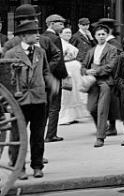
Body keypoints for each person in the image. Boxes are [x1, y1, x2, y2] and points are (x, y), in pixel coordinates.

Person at [3, 11, 49, 178]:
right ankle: (19, 168)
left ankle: (37, 166)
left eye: (37, 32)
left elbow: (45, 72)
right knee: (18, 135)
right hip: (19, 100)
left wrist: (47, 87)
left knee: (38, 135)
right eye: (33, 33)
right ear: (23, 36)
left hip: (38, 98)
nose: (37, 36)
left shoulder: (40, 52)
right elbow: (6, 81)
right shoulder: (11, 54)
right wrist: (6, 103)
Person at [81, 23, 119, 148]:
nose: (101, 36)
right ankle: (103, 127)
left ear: (107, 35)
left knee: (102, 109)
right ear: (95, 36)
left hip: (105, 82)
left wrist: (96, 70)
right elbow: (83, 66)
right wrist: (86, 71)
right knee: (91, 108)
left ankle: (100, 137)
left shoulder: (112, 49)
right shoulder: (91, 50)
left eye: (103, 34)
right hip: (92, 82)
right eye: (99, 34)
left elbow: (110, 66)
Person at [39, 13, 67, 143]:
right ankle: (51, 134)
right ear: (51, 24)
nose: (62, 26)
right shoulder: (55, 38)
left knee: (45, 106)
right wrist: (62, 75)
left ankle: (41, 133)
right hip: (54, 76)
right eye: (60, 23)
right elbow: (58, 59)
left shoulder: (41, 37)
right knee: (55, 106)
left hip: (41, 76)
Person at [58, 26, 89, 125]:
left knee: (76, 92)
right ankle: (64, 118)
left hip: (74, 67)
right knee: (67, 92)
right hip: (67, 68)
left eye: (69, 33)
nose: (68, 35)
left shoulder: (68, 43)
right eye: (66, 33)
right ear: (60, 34)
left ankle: (73, 116)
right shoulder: (60, 44)